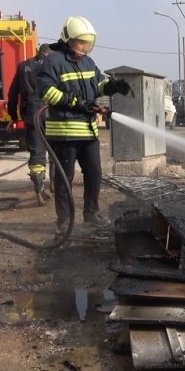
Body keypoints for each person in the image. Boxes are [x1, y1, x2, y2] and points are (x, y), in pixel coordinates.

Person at [37, 16, 131, 233]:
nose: (85, 47)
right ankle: (64, 221)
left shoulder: (88, 62)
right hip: (64, 133)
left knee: (95, 173)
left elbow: (97, 84)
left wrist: (113, 86)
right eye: (81, 42)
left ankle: (91, 213)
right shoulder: (54, 61)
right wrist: (74, 102)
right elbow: (46, 91)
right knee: (64, 178)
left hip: (88, 132)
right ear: (68, 39)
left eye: (88, 43)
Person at [7, 43, 53, 205]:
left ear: (38, 53)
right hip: (52, 111)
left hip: (32, 112)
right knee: (56, 150)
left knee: (37, 151)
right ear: (50, 54)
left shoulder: (23, 67)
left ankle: (39, 189)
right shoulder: (55, 65)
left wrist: (13, 115)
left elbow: (13, 93)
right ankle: (54, 185)